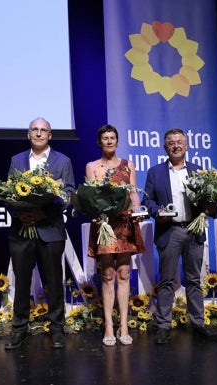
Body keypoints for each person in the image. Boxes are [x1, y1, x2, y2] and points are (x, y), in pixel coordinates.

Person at [142, 128, 217, 344]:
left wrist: (211, 206)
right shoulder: (155, 172)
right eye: (171, 143)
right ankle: (163, 326)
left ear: (186, 146)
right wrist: (156, 211)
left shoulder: (199, 172)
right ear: (165, 148)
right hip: (170, 231)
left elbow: (212, 203)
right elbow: (147, 201)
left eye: (179, 142)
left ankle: (198, 324)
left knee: (194, 280)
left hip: (194, 230)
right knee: (167, 281)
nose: (176, 145)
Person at [4, 117, 75, 350]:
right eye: (34, 130)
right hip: (21, 230)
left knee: (54, 282)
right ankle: (19, 329)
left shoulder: (62, 161)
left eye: (43, 130)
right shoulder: (17, 159)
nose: (38, 133)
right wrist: (19, 212)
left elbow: (68, 194)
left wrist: (44, 212)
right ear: (28, 134)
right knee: (21, 282)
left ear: (50, 135)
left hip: (50, 229)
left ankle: (56, 328)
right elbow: (8, 193)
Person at [85, 124, 145, 346]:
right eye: (105, 138)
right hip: (105, 225)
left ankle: (124, 325)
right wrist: (97, 213)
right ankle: (109, 325)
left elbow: (133, 194)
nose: (109, 141)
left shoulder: (128, 165)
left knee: (124, 273)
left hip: (125, 223)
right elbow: (91, 197)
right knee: (108, 274)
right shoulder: (92, 166)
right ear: (99, 142)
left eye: (112, 138)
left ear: (117, 141)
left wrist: (138, 210)